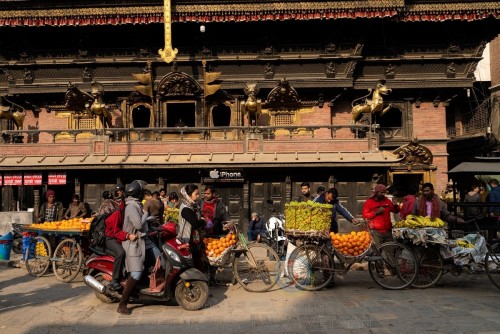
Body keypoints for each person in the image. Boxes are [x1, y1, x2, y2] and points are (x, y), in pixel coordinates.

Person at [118, 180, 161, 315]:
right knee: (136, 273)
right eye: (143, 192)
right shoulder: (131, 206)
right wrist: (146, 214)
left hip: (144, 240)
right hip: (134, 244)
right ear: (138, 193)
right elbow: (138, 225)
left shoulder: (136, 204)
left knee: (160, 258)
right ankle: (122, 304)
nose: (144, 194)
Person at [178, 183, 207, 273]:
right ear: (188, 195)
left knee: (197, 263)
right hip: (186, 240)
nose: (198, 196)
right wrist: (203, 221)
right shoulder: (186, 208)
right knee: (190, 265)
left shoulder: (192, 206)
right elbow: (195, 223)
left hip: (194, 240)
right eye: (196, 194)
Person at [104, 204, 130, 292]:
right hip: (111, 238)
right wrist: (128, 235)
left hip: (119, 237)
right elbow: (116, 231)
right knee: (121, 252)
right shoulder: (118, 214)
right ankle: (115, 280)